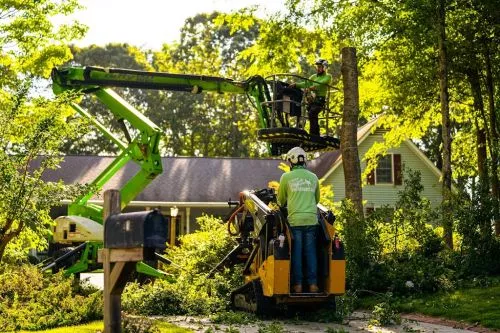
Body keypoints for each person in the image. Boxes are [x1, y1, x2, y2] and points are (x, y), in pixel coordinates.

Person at [277, 147, 320, 293]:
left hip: (295, 221)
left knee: (297, 253)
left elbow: (281, 201)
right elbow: (317, 199)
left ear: (291, 161)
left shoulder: (286, 178)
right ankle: (313, 285)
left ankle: (298, 285)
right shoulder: (313, 177)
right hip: (311, 220)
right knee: (310, 252)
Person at [289, 59, 332, 136]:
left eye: (320, 67)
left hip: (320, 100)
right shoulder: (313, 76)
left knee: (312, 113)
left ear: (325, 68)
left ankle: (313, 134)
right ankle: (316, 134)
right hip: (313, 100)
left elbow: (322, 83)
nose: (318, 68)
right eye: (317, 67)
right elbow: (306, 83)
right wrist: (296, 84)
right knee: (311, 115)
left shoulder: (328, 77)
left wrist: (313, 87)